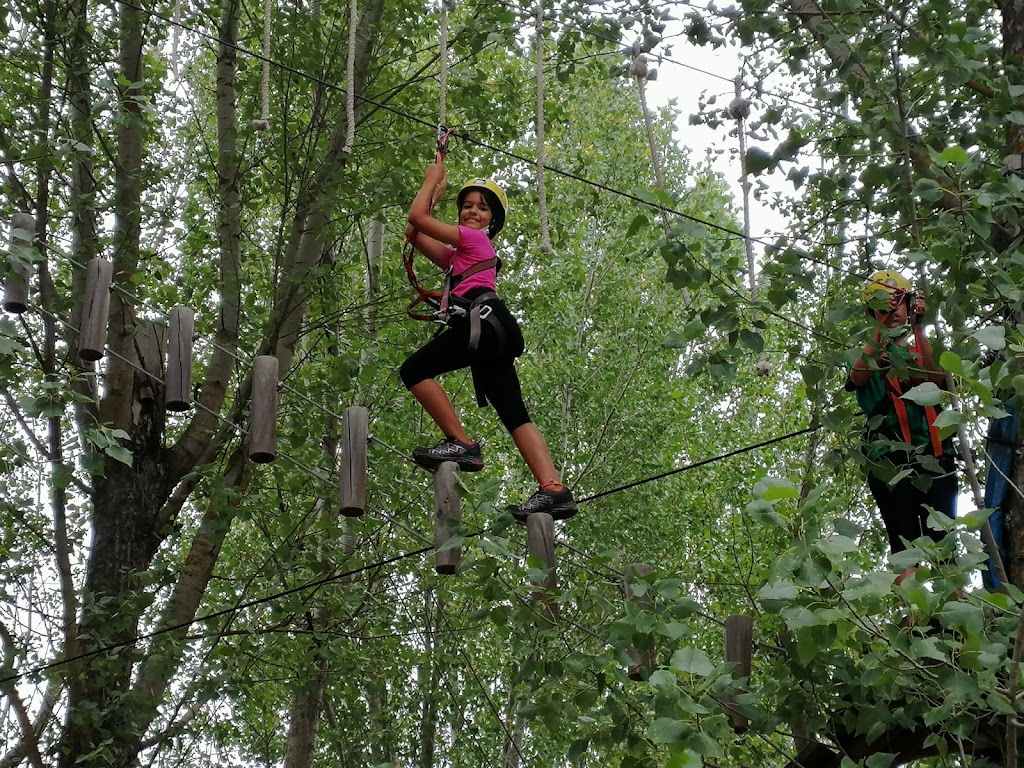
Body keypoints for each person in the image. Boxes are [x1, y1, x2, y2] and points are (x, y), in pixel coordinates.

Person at [399, 154, 578, 522]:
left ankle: (461, 443)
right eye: (467, 206)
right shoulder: (459, 256)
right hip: (493, 332)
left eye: (482, 208)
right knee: (514, 413)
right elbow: (413, 233)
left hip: (484, 324)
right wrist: (437, 193)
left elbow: (417, 218)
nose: (472, 212)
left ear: (492, 221)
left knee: (414, 370)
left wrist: (431, 179)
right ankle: (553, 489)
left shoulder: (474, 240)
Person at [846, 270, 956, 577]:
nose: (892, 312)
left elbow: (935, 380)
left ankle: (952, 606)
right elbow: (858, 377)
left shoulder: (922, 348)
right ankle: (911, 608)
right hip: (889, 463)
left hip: (936, 456)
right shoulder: (865, 353)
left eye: (898, 304)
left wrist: (919, 329)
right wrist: (880, 331)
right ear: (872, 313)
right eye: (883, 307)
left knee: (946, 550)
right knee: (905, 550)